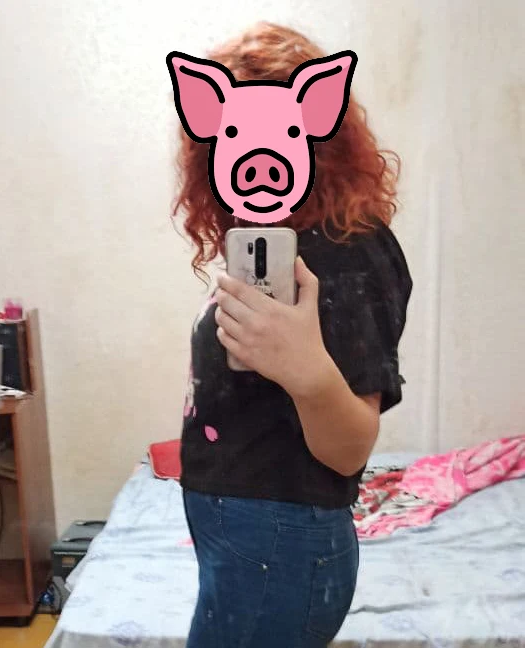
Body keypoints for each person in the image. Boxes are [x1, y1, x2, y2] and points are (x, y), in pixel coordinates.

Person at [170, 21, 413, 648]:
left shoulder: (349, 251)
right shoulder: (274, 243)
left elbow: (349, 449)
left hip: (276, 545)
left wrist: (306, 370)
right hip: (251, 540)